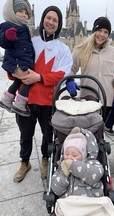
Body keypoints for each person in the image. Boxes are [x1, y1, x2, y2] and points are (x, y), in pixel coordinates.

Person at [12, 6, 73, 183]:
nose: (51, 22)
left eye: (55, 20)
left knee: (48, 135)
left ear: (59, 24)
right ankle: (24, 162)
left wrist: (38, 76)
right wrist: (14, 73)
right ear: (43, 19)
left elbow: (62, 75)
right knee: (25, 134)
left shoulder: (63, 49)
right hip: (26, 99)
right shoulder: (31, 42)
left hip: (48, 101)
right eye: (49, 18)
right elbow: (16, 64)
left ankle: (45, 159)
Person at [66, 16, 114, 135]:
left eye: (106, 32)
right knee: (87, 131)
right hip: (88, 97)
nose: (102, 34)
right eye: (99, 30)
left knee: (100, 132)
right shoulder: (81, 49)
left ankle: (99, 152)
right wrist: (69, 80)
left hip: (108, 99)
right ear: (94, 31)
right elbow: (71, 68)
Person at [0, 0, 34, 117]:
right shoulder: (9, 26)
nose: (24, 14)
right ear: (12, 13)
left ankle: (6, 99)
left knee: (19, 80)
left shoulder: (23, 27)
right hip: (18, 62)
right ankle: (20, 104)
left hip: (22, 60)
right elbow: (4, 43)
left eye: (26, 12)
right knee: (29, 80)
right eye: (20, 11)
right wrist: (7, 36)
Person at [51, 127, 104, 198]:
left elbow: (95, 175)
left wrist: (73, 166)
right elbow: (57, 190)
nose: (69, 157)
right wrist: (64, 174)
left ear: (84, 155)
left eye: (74, 155)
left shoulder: (92, 163)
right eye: (66, 154)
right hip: (70, 204)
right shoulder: (62, 167)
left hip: (91, 202)